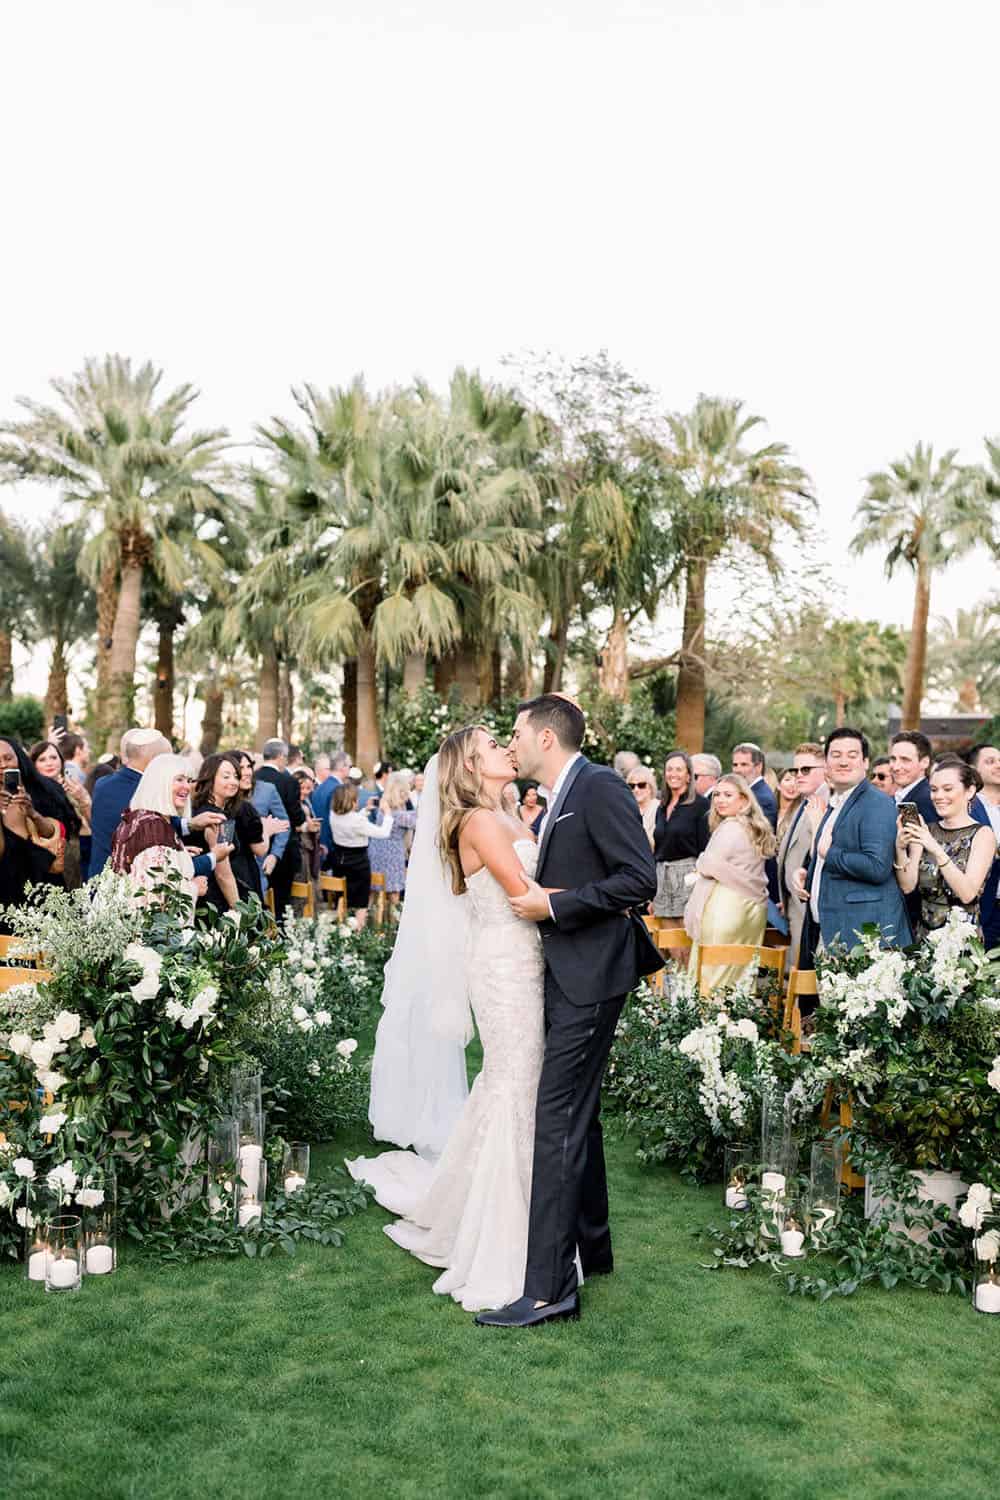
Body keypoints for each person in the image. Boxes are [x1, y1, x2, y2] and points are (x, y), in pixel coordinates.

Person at [478, 694, 662, 1328]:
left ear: (546, 739)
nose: (512, 742)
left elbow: (640, 880)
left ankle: (548, 1290)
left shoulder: (601, 785)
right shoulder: (562, 792)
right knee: (578, 1117)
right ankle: (594, 1248)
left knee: (555, 1119)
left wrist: (553, 908)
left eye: (517, 732)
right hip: (569, 973)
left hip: (591, 977)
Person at [794, 727, 911, 952]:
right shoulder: (836, 803)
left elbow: (877, 867)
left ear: (865, 762)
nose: (843, 762)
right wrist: (808, 874)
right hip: (833, 933)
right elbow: (824, 855)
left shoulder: (875, 803)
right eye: (836, 755)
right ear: (826, 763)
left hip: (865, 940)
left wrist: (830, 854)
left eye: (852, 755)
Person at [88, 729, 223, 880]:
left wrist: (189, 827)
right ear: (156, 761)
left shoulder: (102, 784)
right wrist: (213, 857)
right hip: (127, 887)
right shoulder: (147, 793)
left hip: (98, 880)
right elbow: (159, 858)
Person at [683, 773, 774, 995]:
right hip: (752, 909)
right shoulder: (753, 827)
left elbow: (709, 863)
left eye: (728, 795)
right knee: (741, 975)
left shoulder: (731, 827)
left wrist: (702, 861)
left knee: (714, 975)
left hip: (725, 907)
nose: (720, 800)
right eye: (716, 795)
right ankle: (737, 1026)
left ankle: (708, 1026)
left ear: (744, 800)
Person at [894, 759, 996, 941]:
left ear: (970, 791)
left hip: (961, 945)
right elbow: (907, 886)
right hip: (924, 940)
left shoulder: (982, 834)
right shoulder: (927, 830)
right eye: (933, 790)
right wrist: (900, 848)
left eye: (947, 789)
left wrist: (934, 848)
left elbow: (967, 894)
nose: (938, 796)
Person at [109, 754, 206, 911]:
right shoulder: (154, 829)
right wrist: (194, 888)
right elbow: (155, 899)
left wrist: (177, 855)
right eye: (179, 779)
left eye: (189, 780)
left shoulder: (140, 818)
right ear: (160, 783)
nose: (187, 787)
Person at [0, 738, 62, 926]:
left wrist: (32, 813)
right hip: (5, 890)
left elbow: (52, 832)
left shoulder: (38, 789)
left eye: (8, 758)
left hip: (41, 883)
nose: (3, 765)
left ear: (18, 758)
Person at [776, 744, 828, 968]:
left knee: (804, 983)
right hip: (792, 905)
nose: (798, 776)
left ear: (825, 769)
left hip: (809, 909)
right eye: (795, 770)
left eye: (805, 770)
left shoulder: (827, 803)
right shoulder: (803, 802)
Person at [652, 751, 710, 924]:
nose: (673, 774)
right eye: (669, 769)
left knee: (683, 942)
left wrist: (696, 884)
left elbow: (705, 850)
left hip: (688, 877)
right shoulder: (661, 806)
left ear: (688, 776)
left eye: (679, 769)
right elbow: (659, 848)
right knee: (664, 942)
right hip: (662, 878)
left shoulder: (701, 805)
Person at [328, 780, 396, 928]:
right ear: (351, 801)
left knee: (343, 897)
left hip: (339, 859)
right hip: (358, 862)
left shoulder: (333, 815)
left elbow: (350, 820)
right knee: (361, 902)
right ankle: (359, 931)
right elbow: (383, 833)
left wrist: (365, 810)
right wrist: (388, 814)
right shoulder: (356, 820)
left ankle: (343, 929)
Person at [254, 739, 305, 922]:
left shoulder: (253, 778)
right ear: (281, 757)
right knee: (281, 902)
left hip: (254, 849)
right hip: (282, 851)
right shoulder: (288, 781)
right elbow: (295, 817)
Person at [188, 754, 242, 913]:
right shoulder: (218, 819)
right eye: (226, 776)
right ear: (210, 779)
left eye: (235, 776)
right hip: (213, 902)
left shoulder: (198, 811)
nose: (233, 781)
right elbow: (223, 874)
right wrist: (239, 912)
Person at [27, 739, 85, 887]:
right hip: (49, 861)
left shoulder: (74, 788)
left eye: (53, 757)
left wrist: (83, 799)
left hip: (78, 855)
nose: (49, 763)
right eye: (42, 759)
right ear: (33, 765)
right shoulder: (31, 794)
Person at [226, 751, 275, 904]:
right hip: (242, 876)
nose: (247, 772)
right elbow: (260, 849)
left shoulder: (226, 805)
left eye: (249, 766)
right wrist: (267, 829)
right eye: (241, 767)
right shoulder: (244, 808)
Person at [369, 772, 420, 914]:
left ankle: (371, 921)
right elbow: (418, 822)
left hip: (376, 852)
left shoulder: (384, 809)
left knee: (374, 891)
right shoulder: (398, 814)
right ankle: (395, 924)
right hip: (391, 855)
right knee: (394, 893)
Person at [968, 744, 1000, 949]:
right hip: (984, 910)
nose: (998, 766)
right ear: (973, 770)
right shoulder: (967, 806)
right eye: (990, 762)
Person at [245, 752, 291, 896]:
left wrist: (274, 855)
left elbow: (284, 824)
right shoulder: (227, 793)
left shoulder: (267, 790)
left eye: (249, 766)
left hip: (259, 864)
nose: (246, 771)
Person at [889, 730, 936, 821]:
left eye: (905, 760)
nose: (896, 767)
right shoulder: (897, 797)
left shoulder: (928, 801)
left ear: (925, 762)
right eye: (893, 759)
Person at [626, 765, 658, 847]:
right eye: (632, 786)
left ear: (650, 787)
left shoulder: (659, 808)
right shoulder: (627, 810)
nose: (636, 790)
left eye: (641, 785)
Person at [776, 766, 801, 839]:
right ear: (778, 785)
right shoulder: (770, 808)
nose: (792, 784)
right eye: (787, 780)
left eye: (797, 781)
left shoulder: (802, 813)